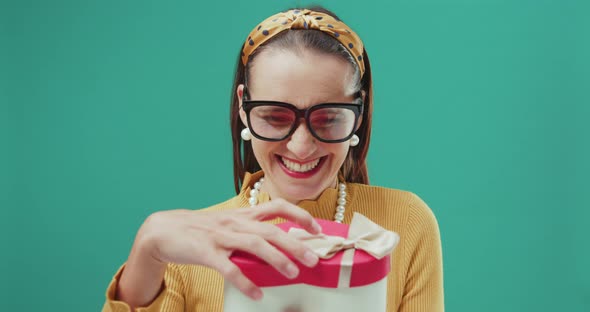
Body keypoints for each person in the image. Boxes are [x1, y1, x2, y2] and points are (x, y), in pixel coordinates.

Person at [102, 6, 443, 312]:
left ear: (360, 110)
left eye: (328, 117)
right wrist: (147, 251)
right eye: (275, 117)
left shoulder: (407, 223)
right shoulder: (191, 248)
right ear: (243, 107)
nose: (301, 146)